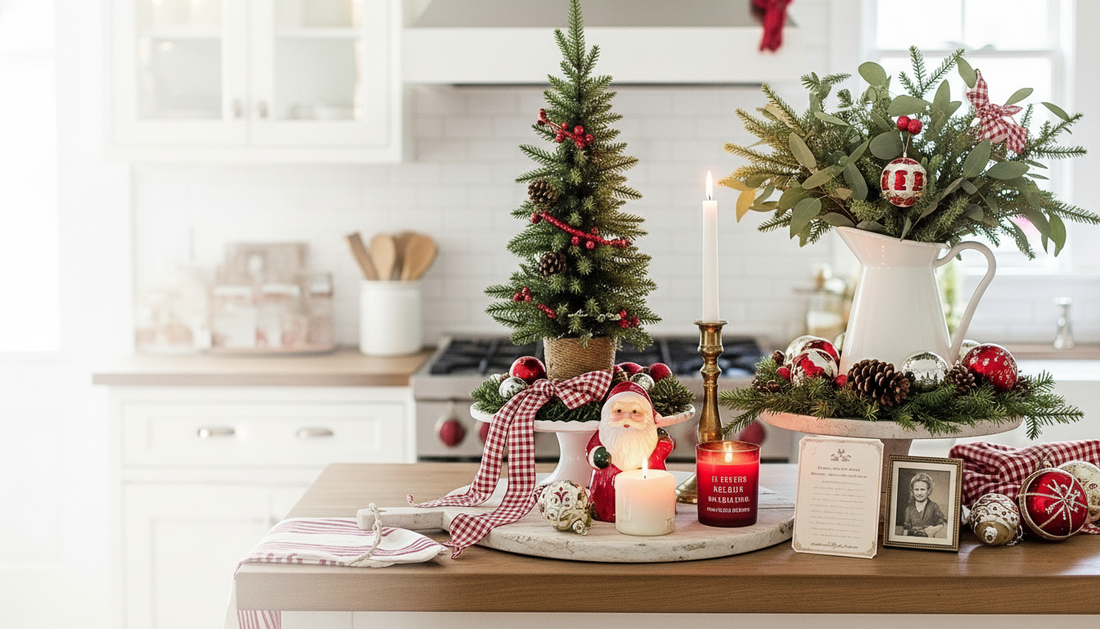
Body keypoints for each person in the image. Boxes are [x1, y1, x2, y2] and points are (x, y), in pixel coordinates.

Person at [585, 382, 674, 522]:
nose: (627, 417)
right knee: (606, 502)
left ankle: (651, 514)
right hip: (605, 487)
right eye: (618, 411)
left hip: (649, 492)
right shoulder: (604, 435)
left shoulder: (652, 436)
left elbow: (664, 448)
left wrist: (663, 442)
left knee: (649, 506)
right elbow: (591, 449)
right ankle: (604, 512)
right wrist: (596, 456)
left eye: (635, 412)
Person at [902, 472, 947, 538]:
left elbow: (942, 523)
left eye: (922, 489)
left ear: (928, 490)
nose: (919, 493)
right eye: (916, 489)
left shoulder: (934, 506)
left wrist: (933, 530)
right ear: (912, 491)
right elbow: (906, 530)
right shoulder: (908, 509)